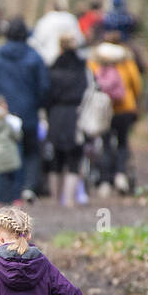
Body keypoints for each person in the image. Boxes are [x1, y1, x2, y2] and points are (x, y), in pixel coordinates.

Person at [0, 17, 50, 200]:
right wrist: (38, 104)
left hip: (3, 114)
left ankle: (3, 194)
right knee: (31, 152)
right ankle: (27, 187)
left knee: (4, 150)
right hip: (29, 113)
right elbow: (44, 86)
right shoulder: (35, 56)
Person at [88, 31, 143, 196]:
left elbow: (91, 82)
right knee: (122, 143)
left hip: (103, 109)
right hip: (124, 108)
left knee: (104, 144)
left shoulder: (96, 60)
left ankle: (104, 180)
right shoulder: (126, 61)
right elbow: (136, 84)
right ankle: (120, 174)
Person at [45, 33, 88, 206]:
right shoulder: (82, 68)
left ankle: (56, 199)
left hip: (55, 115)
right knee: (74, 156)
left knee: (56, 157)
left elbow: (45, 93)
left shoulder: (53, 68)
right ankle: (69, 199)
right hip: (76, 115)